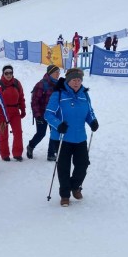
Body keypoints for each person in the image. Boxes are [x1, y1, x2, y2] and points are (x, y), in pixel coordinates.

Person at [44, 68, 99, 207]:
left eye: (79, 80)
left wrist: (93, 121)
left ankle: (74, 187)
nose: (77, 82)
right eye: (74, 80)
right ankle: (65, 195)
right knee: (64, 167)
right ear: (68, 81)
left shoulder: (84, 94)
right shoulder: (58, 94)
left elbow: (89, 112)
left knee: (83, 164)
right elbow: (48, 114)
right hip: (62, 138)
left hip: (80, 137)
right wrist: (58, 124)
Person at [26, 64, 60, 161]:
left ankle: (51, 154)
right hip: (42, 114)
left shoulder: (59, 85)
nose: (58, 74)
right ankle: (31, 146)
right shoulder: (41, 84)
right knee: (41, 133)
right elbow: (34, 101)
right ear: (50, 73)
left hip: (53, 114)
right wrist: (37, 115)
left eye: (58, 72)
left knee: (55, 132)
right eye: (56, 72)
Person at [0, 65, 26, 161]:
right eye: (6, 73)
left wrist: (23, 109)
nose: (9, 75)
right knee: (3, 134)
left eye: (10, 73)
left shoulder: (17, 83)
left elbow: (21, 97)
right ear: (3, 74)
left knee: (18, 133)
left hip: (15, 111)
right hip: (2, 112)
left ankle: (17, 153)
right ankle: (4, 154)